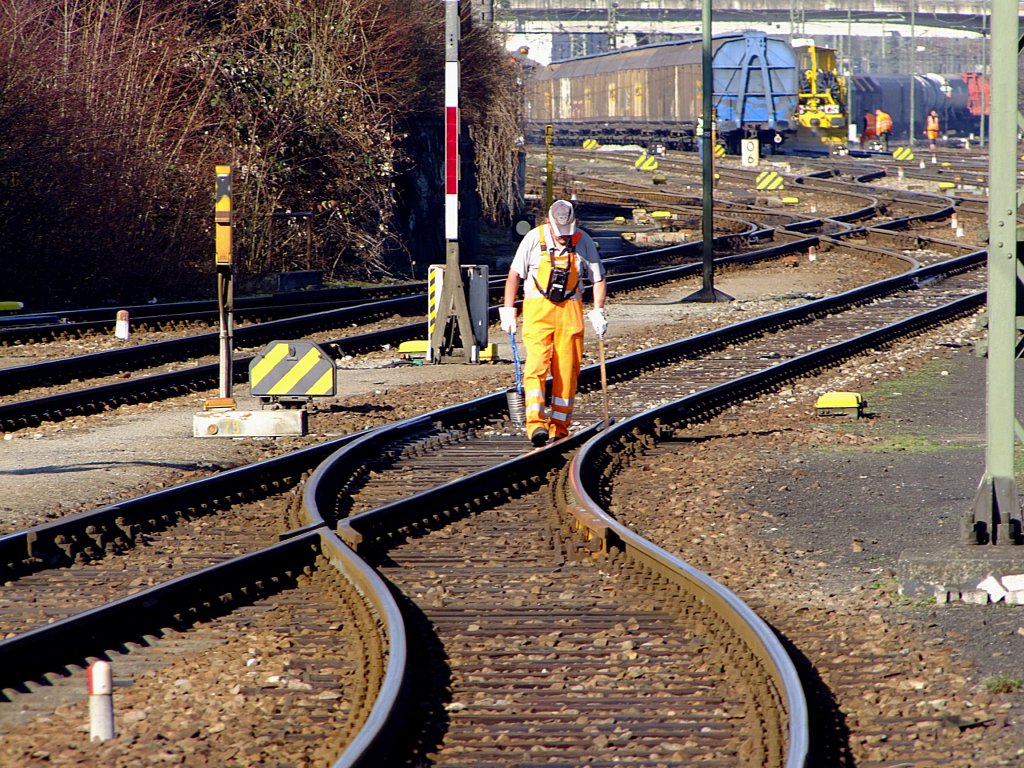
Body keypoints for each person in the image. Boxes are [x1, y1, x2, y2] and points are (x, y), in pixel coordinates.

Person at [499, 200, 607, 447]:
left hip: (570, 312)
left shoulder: (583, 241)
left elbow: (598, 278)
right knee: (536, 366)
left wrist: (599, 310)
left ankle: (559, 427)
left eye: (567, 233)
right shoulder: (533, 239)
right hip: (538, 312)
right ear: (549, 223)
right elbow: (514, 274)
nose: (564, 239)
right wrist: (508, 309)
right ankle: (536, 424)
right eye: (560, 235)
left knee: (567, 370)